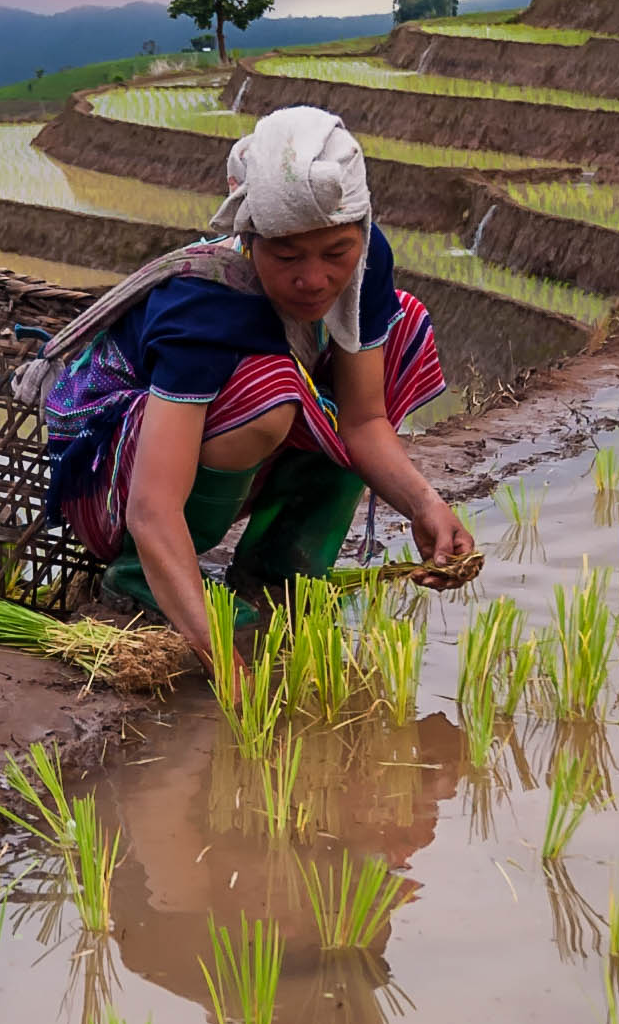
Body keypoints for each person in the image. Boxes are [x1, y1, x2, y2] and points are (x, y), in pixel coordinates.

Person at [27, 106, 479, 676]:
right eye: (287, 257)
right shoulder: (207, 304)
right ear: (249, 241)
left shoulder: (366, 261)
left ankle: (277, 574)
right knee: (270, 386)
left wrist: (426, 506)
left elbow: (362, 422)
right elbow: (152, 506)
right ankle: (141, 579)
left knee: (397, 329)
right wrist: (217, 653)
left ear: (360, 233)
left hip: (213, 454)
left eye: (336, 253)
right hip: (113, 484)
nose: (314, 279)